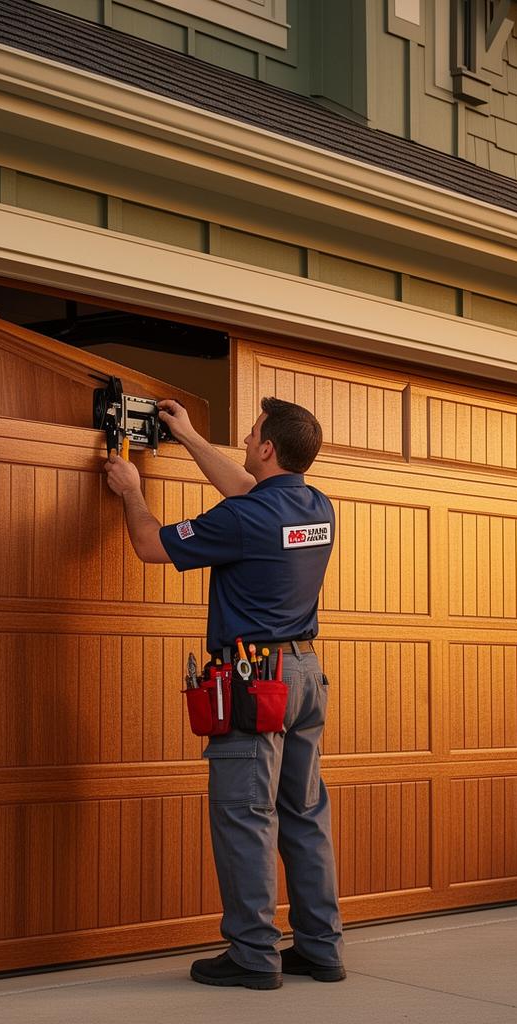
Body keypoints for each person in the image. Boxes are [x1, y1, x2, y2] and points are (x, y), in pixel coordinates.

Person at [102, 396, 345, 990]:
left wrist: (132, 490)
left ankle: (254, 955)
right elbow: (248, 487)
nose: (246, 440)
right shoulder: (316, 505)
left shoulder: (243, 519)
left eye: (253, 433)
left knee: (245, 815)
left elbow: (151, 545)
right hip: (304, 675)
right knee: (304, 814)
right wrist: (187, 436)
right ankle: (320, 949)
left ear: (268, 448)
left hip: (254, 683)